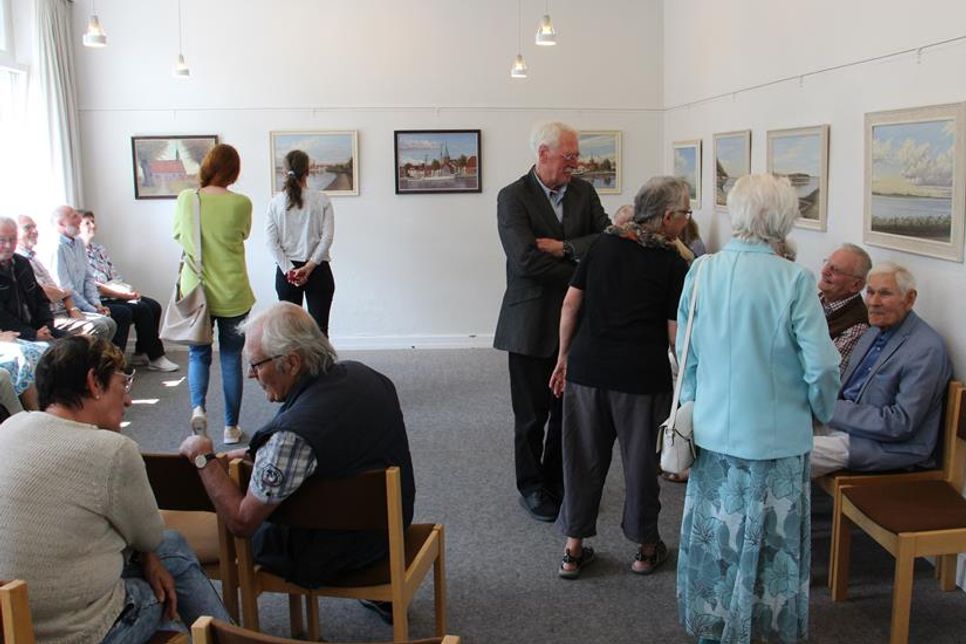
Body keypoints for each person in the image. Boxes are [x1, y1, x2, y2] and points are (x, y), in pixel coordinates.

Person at [675, 174, 841, 643]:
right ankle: (762, 630)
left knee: (719, 537)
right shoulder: (793, 280)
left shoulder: (702, 270)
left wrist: (693, 402)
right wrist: (818, 411)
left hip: (711, 433)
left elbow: (686, 354)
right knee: (770, 543)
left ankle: (714, 626)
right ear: (785, 220)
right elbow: (823, 366)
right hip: (775, 439)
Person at [178, 302, 414, 611]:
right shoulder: (366, 376)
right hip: (389, 524)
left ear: (290, 363)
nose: (251, 375)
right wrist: (244, 455)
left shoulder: (293, 437)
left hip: (329, 550)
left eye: (256, 365)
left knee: (174, 534)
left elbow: (242, 521)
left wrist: (203, 458)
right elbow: (336, 443)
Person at [0, 335, 231, 643]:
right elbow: (149, 536)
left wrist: (146, 554)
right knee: (169, 559)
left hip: (10, 624)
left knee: (162, 566)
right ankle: (226, 636)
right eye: (123, 385)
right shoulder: (112, 450)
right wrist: (148, 555)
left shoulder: (9, 428)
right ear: (94, 383)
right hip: (74, 632)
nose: (128, 400)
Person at [549, 177, 690, 579]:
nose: (686, 222)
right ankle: (646, 548)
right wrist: (686, 383)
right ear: (666, 218)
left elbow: (570, 303)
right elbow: (673, 332)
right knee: (640, 464)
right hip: (641, 379)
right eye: (685, 214)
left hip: (588, 370)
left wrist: (563, 357)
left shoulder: (603, 245)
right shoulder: (671, 263)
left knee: (582, 459)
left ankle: (573, 550)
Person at [494, 121, 610, 522]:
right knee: (530, 416)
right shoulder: (512, 197)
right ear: (543, 153)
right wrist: (583, 269)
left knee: (566, 414)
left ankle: (557, 483)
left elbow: (607, 239)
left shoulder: (584, 192)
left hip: (577, 322)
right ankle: (531, 487)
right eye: (569, 156)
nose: (575, 164)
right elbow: (524, 261)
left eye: (577, 156)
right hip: (528, 323)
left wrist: (563, 247)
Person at [811, 262, 952, 478]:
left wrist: (830, 409)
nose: (874, 302)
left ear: (910, 298)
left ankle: (780, 511)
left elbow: (900, 424)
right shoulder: (872, 332)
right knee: (764, 433)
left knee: (785, 453)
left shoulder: (926, 349)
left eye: (885, 294)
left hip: (885, 445)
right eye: (871, 292)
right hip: (845, 425)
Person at [173, 143, 255, 445]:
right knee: (232, 357)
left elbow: (178, 235)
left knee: (198, 354)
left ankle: (199, 409)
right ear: (234, 172)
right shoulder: (241, 203)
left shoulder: (186, 199)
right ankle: (231, 428)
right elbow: (244, 234)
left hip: (196, 290)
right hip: (233, 291)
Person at [78, 210, 179, 372]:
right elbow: (95, 286)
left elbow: (114, 276)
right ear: (77, 227)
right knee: (137, 309)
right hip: (98, 299)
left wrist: (128, 292)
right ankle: (153, 357)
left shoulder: (98, 249)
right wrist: (124, 296)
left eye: (93, 221)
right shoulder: (77, 253)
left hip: (114, 293)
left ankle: (141, 353)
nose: (92, 226)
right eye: (87, 223)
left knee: (153, 305)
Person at [266, 149, 336, 335]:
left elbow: (271, 243)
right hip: (318, 270)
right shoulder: (322, 199)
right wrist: (309, 267)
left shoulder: (275, 203)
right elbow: (327, 238)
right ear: (308, 171)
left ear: (284, 172)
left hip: (286, 273)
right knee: (320, 332)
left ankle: (293, 365)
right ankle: (320, 366)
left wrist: (290, 271)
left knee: (289, 334)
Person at [15, 214, 117, 339]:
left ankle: (101, 358)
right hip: (48, 317)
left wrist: (73, 307)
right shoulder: (20, 260)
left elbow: (59, 289)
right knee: (99, 327)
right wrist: (63, 295)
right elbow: (45, 292)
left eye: (35, 227)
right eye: (27, 228)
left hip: (62, 309)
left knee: (109, 322)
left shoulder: (33, 256)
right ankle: (87, 358)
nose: (35, 231)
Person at [50, 205, 129, 348]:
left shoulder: (78, 242)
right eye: (74, 216)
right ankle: (97, 365)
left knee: (110, 322)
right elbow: (66, 287)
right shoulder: (56, 248)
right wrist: (92, 308)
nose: (79, 219)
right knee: (103, 325)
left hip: (85, 303)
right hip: (68, 307)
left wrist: (96, 304)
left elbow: (88, 278)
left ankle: (108, 364)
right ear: (61, 224)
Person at [818, 243, 871, 371]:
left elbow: (827, 370)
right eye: (827, 264)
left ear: (855, 285)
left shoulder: (857, 327)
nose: (824, 272)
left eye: (835, 270)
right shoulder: (815, 300)